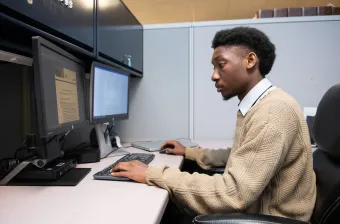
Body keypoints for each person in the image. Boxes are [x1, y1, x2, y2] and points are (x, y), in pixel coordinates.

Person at [110, 27, 316, 222]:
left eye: (221, 64)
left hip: (266, 219)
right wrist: (190, 153)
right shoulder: (262, 104)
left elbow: (232, 194)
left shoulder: (273, 111)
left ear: (250, 60)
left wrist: (151, 173)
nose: (214, 75)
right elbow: (237, 155)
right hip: (256, 210)